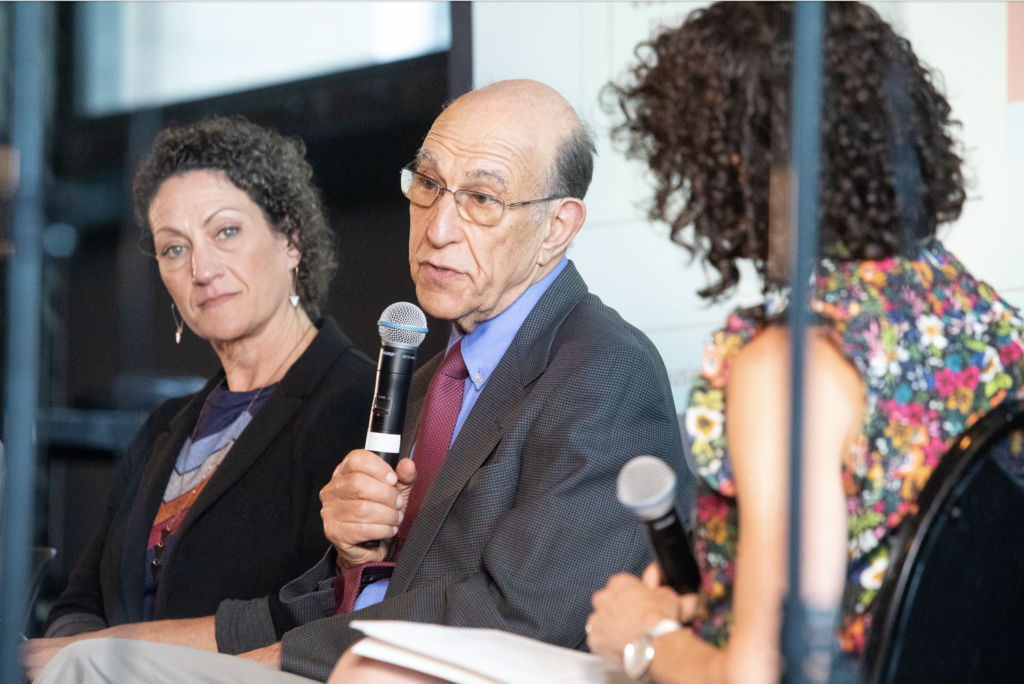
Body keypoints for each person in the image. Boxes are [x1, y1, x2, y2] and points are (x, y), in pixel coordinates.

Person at [30, 79, 692, 684]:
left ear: (558, 227)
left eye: (482, 200)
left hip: (386, 670)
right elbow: (348, 593)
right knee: (85, 660)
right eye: (426, 185)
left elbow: (528, 609)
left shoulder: (603, 368)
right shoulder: (430, 378)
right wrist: (349, 556)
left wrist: (288, 656)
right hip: (342, 656)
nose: (436, 228)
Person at [584, 3, 1024, 683]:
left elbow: (770, 678)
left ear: (736, 164)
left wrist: (646, 638)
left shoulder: (792, 365)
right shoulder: (984, 319)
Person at [29, 117, 375, 653]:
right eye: (174, 248)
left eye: (226, 232)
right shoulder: (164, 427)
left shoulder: (357, 402)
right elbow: (79, 601)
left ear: (291, 240)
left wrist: (115, 651)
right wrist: (69, 661)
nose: (201, 269)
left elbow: (325, 610)